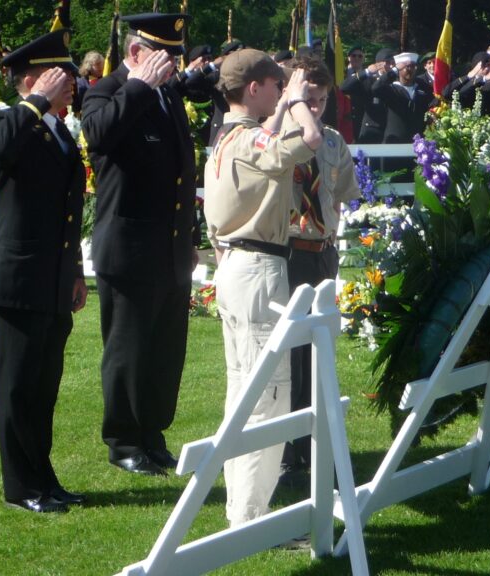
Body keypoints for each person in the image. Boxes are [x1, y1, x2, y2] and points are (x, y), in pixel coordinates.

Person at [203, 48, 322, 527]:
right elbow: (310, 139)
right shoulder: (249, 140)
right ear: (256, 88)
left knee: (244, 392)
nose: (281, 92)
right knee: (266, 397)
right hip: (258, 269)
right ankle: (249, 517)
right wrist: (296, 101)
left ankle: (244, 507)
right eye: (275, 85)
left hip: (237, 265)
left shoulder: (225, 137)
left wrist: (282, 102)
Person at [82, 12, 198, 476]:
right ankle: (124, 439)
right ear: (135, 54)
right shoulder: (107, 91)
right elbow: (99, 135)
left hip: (167, 246)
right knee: (129, 350)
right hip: (128, 246)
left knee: (165, 349)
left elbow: (180, 175)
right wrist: (138, 86)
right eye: (163, 57)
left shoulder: (169, 96)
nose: (172, 67)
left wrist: (189, 237)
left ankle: (152, 432)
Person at [0, 29, 87, 514]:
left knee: (44, 389)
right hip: (18, 279)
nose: (72, 87)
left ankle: (43, 478)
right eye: (60, 78)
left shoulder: (58, 129)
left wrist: (76, 272)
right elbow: (0, 150)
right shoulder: (8, 120)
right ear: (33, 79)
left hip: (52, 279)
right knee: (18, 387)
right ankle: (20, 485)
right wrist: (36, 101)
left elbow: (69, 209)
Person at [279, 56, 361, 486]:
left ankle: (317, 442)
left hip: (322, 253)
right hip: (290, 254)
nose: (315, 108)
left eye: (322, 100)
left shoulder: (331, 142)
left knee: (320, 354)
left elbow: (341, 197)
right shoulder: (278, 139)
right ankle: (288, 449)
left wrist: (330, 242)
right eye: (308, 98)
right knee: (290, 356)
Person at [340, 47, 394, 144]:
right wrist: (366, 72)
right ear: (379, 63)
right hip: (372, 130)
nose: (391, 66)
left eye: (393, 63)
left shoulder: (396, 80)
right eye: (388, 62)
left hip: (391, 131)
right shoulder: (367, 80)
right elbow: (344, 88)